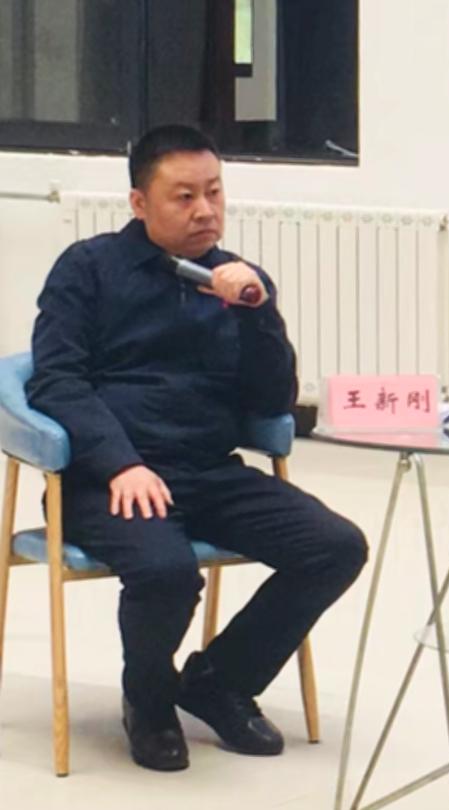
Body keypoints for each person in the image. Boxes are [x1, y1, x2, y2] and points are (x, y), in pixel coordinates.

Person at [26, 124, 368, 772]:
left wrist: (258, 313)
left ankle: (219, 681)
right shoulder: (88, 268)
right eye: (184, 196)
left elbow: (270, 401)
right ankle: (149, 701)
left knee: (335, 547)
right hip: (107, 478)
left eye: (214, 192)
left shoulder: (237, 281)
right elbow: (56, 380)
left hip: (208, 472)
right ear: (139, 203)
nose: (205, 210)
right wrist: (120, 462)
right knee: (166, 571)